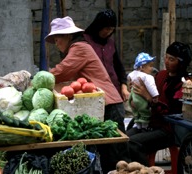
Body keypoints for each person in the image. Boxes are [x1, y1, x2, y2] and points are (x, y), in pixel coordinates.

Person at [45, 16, 130, 173]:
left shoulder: (79, 48)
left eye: (57, 39)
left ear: (68, 36)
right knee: (107, 157)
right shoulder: (78, 47)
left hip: (109, 105)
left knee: (116, 160)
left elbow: (62, 71)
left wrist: (39, 79)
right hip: (102, 104)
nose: (56, 44)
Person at [127, 41, 192, 166]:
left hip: (168, 129)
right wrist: (135, 92)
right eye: (166, 57)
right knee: (123, 138)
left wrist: (148, 97)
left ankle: (146, 171)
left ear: (181, 63)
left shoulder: (184, 84)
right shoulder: (161, 75)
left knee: (133, 143)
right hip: (150, 123)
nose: (166, 61)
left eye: (171, 59)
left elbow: (171, 112)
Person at [84, 9, 130, 101]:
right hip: (94, 91)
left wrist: (124, 87)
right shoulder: (85, 41)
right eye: (107, 29)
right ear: (99, 26)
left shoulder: (110, 43)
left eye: (112, 30)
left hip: (114, 90)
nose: (109, 32)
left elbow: (118, 66)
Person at [127, 52, 159, 132]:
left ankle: (138, 126)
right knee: (145, 113)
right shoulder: (148, 77)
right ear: (142, 67)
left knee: (137, 113)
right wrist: (155, 96)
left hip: (133, 97)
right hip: (141, 99)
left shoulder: (132, 74)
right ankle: (145, 127)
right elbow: (152, 87)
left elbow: (129, 79)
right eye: (150, 66)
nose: (152, 68)